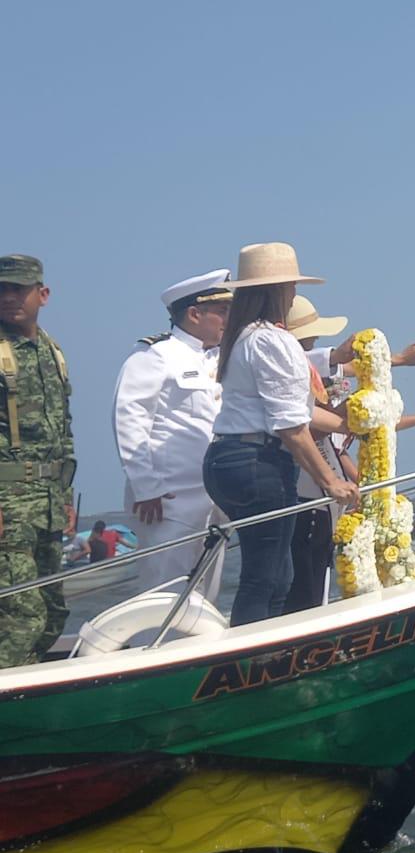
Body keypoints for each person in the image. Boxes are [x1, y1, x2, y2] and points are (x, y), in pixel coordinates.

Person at [202, 243, 358, 626]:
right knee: (266, 578)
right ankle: (249, 665)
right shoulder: (273, 340)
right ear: (281, 291)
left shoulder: (241, 337)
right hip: (259, 462)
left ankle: (259, 658)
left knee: (275, 575)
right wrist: (331, 481)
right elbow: (291, 425)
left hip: (228, 459)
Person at [281, 296, 415, 613]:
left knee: (317, 576)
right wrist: (348, 415)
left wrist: (397, 360)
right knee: (305, 579)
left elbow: (359, 404)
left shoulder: (310, 367)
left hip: (325, 489)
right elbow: (311, 428)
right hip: (306, 488)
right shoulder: (291, 369)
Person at [113, 269, 232, 598]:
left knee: (204, 597)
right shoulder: (155, 356)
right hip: (167, 501)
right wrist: (145, 485)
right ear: (195, 314)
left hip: (212, 500)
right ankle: (148, 649)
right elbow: (129, 417)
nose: (229, 319)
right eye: (222, 311)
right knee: (162, 597)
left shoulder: (220, 358)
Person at [0, 255, 76, 667]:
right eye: (2, 289)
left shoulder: (50, 351)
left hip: (45, 501)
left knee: (52, 612)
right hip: (7, 503)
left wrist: (64, 496)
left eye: (19, 289)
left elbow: (62, 428)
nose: (9, 297)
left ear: (42, 295)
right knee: (20, 613)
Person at [67, 520, 136, 563]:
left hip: (98, 562)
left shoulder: (94, 535)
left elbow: (87, 546)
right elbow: (128, 544)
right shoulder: (113, 533)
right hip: (110, 561)